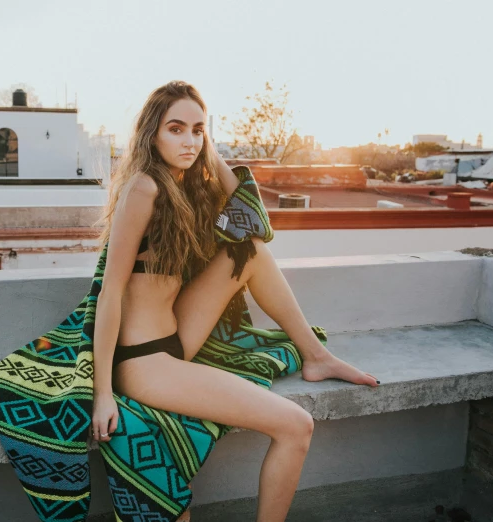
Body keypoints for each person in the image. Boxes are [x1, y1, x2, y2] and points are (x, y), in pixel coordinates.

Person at [89, 80, 379, 522]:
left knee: (249, 250)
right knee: (296, 426)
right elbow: (110, 294)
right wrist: (104, 393)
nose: (189, 140)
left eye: (198, 130)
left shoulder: (184, 184)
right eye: (176, 129)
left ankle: (316, 355)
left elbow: (253, 221)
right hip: (143, 361)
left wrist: (207, 152)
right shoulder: (143, 189)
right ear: (152, 134)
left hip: (176, 337)